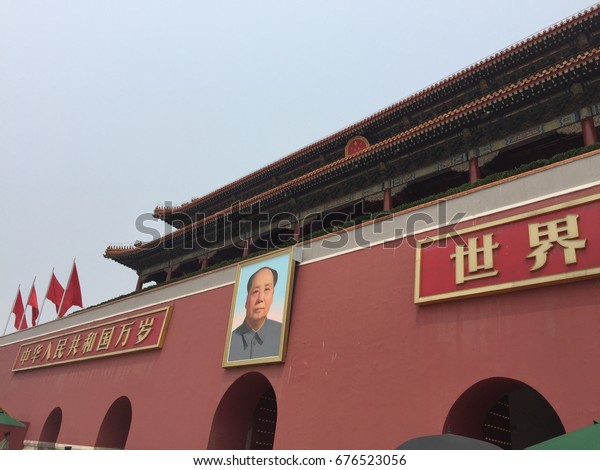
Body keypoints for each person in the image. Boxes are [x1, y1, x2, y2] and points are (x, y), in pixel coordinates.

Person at [228, 267, 282, 361]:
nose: (260, 299)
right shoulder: (231, 341)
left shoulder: (281, 333)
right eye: (256, 291)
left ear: (273, 296)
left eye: (266, 289)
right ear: (246, 300)